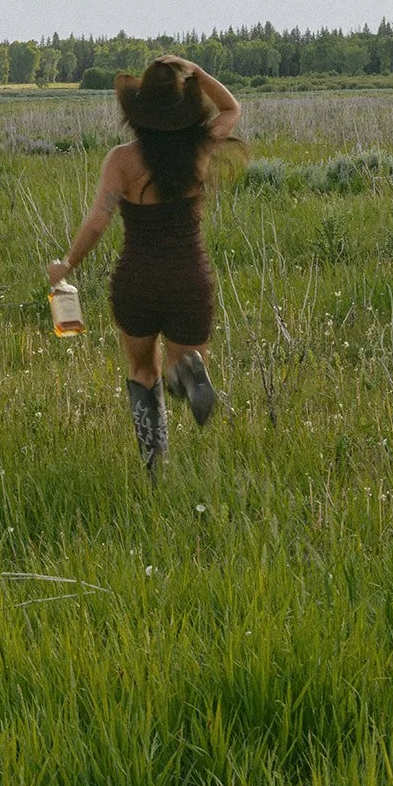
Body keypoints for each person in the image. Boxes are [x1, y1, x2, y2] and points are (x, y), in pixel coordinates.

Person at [47, 56, 243, 475]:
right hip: (189, 277)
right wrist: (198, 71)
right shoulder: (201, 145)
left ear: (139, 112)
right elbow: (231, 108)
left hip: (136, 281)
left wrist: (67, 264)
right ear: (184, 108)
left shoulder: (121, 160)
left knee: (141, 370)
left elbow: (98, 221)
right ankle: (184, 374)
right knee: (182, 360)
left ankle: (154, 461)